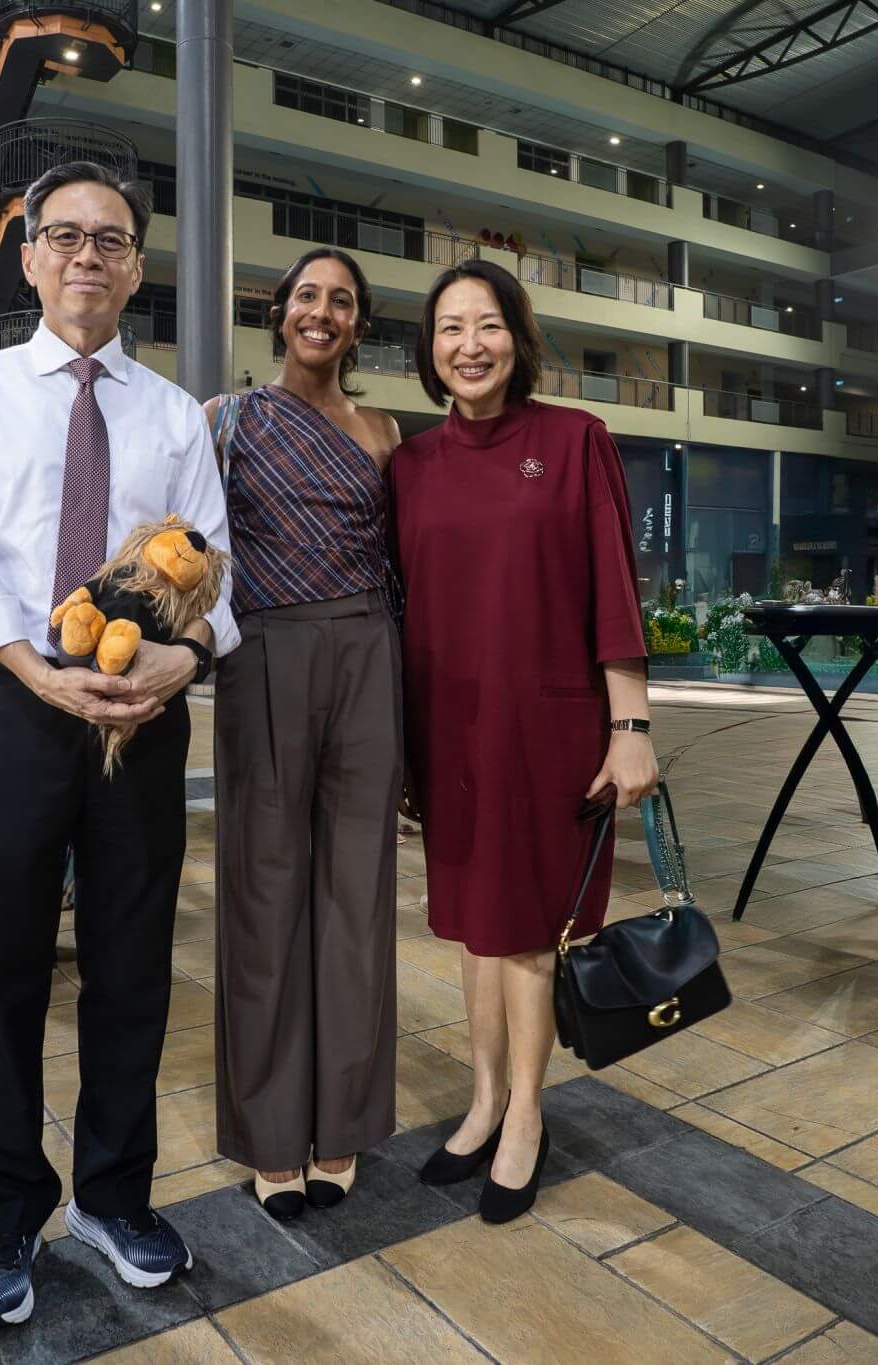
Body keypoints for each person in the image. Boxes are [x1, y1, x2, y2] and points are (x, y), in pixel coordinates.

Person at [0, 161, 238, 1327]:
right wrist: (36, 676)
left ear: (137, 266)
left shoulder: (169, 413)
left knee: (132, 959)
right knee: (3, 962)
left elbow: (217, 576)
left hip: (142, 716)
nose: (86, 255)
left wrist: (181, 660)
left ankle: (111, 1192)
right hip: (12, 702)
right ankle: (9, 1203)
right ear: (28, 255)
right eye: (64, 235)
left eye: (109, 239)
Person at [392, 258, 656, 1224]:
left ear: (519, 336)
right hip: (448, 730)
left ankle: (528, 1117)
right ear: (430, 350)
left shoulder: (576, 440)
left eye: (488, 324)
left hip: (548, 728)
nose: (470, 345)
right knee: (471, 925)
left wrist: (629, 724)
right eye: (450, 328)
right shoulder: (411, 467)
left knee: (531, 934)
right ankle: (483, 1096)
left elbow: (614, 594)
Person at [205, 249, 402, 1221]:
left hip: (370, 650)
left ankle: (347, 1122)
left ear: (357, 325)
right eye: (307, 297)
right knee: (262, 889)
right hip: (265, 654)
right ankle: (269, 1136)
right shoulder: (226, 418)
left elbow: (404, 562)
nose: (322, 313)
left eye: (342, 302)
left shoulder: (382, 429)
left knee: (356, 894)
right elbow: (183, 547)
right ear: (278, 312)